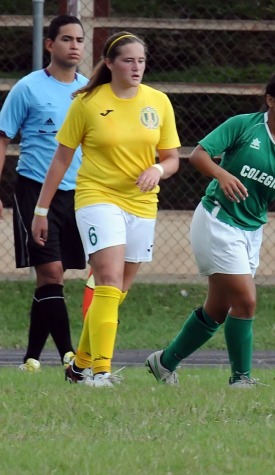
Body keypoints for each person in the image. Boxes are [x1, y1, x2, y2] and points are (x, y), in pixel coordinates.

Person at [145, 71, 275, 388]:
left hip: (251, 231)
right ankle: (241, 378)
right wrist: (222, 175)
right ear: (270, 100)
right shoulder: (244, 125)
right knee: (246, 301)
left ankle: (164, 362)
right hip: (217, 220)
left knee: (219, 308)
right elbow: (198, 154)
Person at [31, 31, 181, 388]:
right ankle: (101, 371)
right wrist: (41, 210)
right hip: (97, 198)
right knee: (108, 279)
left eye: (141, 61)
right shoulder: (87, 102)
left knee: (118, 290)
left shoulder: (158, 102)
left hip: (142, 204)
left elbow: (173, 159)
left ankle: (79, 364)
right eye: (128, 60)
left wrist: (157, 169)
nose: (136, 67)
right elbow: (61, 159)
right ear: (110, 64)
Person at [0, 15, 87, 373]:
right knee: (51, 271)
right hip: (35, 192)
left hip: (79, 193)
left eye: (80, 40)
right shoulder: (29, 88)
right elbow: (2, 137)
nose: (75, 46)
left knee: (51, 277)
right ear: (50, 44)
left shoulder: (90, 91)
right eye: (66, 39)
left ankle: (31, 358)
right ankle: (70, 354)